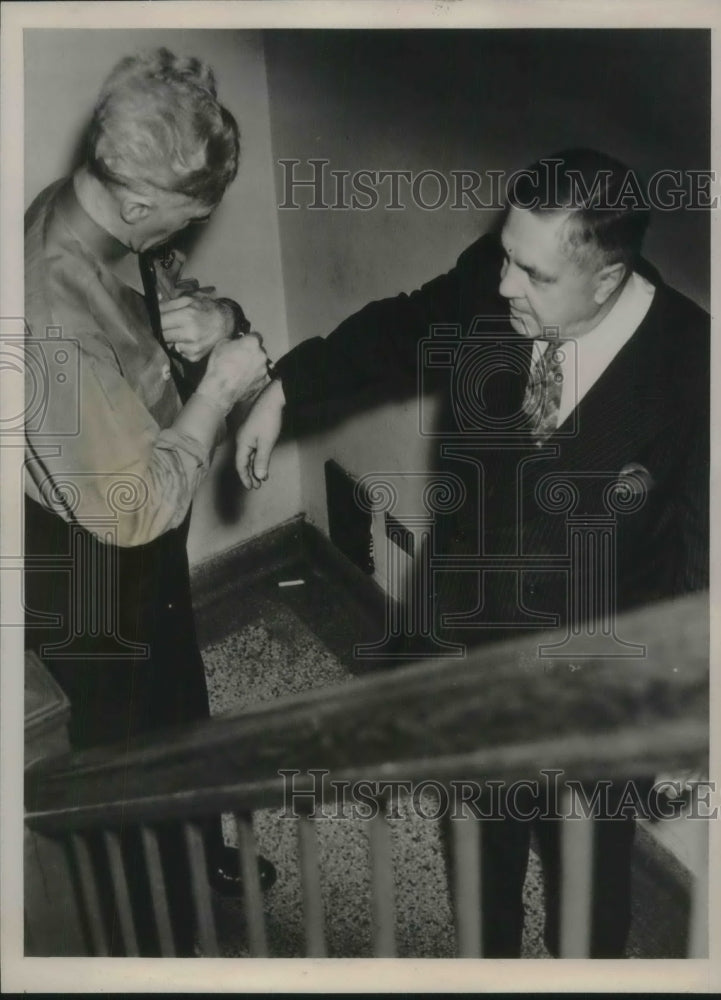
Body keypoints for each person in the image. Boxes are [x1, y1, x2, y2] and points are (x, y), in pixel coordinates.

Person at [235, 148, 709, 956]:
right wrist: (285, 387)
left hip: (595, 685)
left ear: (607, 278)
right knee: (477, 836)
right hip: (470, 643)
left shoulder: (693, 366)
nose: (502, 287)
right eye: (503, 258)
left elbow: (703, 551)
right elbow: (403, 325)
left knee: (587, 882)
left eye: (531, 274)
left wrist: (688, 716)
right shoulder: (494, 282)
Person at [24, 48, 275, 954]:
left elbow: (162, 297)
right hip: (90, 558)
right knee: (121, 744)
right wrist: (219, 392)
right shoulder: (49, 307)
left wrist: (218, 321)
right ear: (136, 198)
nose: (190, 233)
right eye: (184, 216)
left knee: (177, 696)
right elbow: (130, 507)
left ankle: (195, 851)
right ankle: (148, 931)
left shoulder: (98, 208)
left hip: (142, 523)